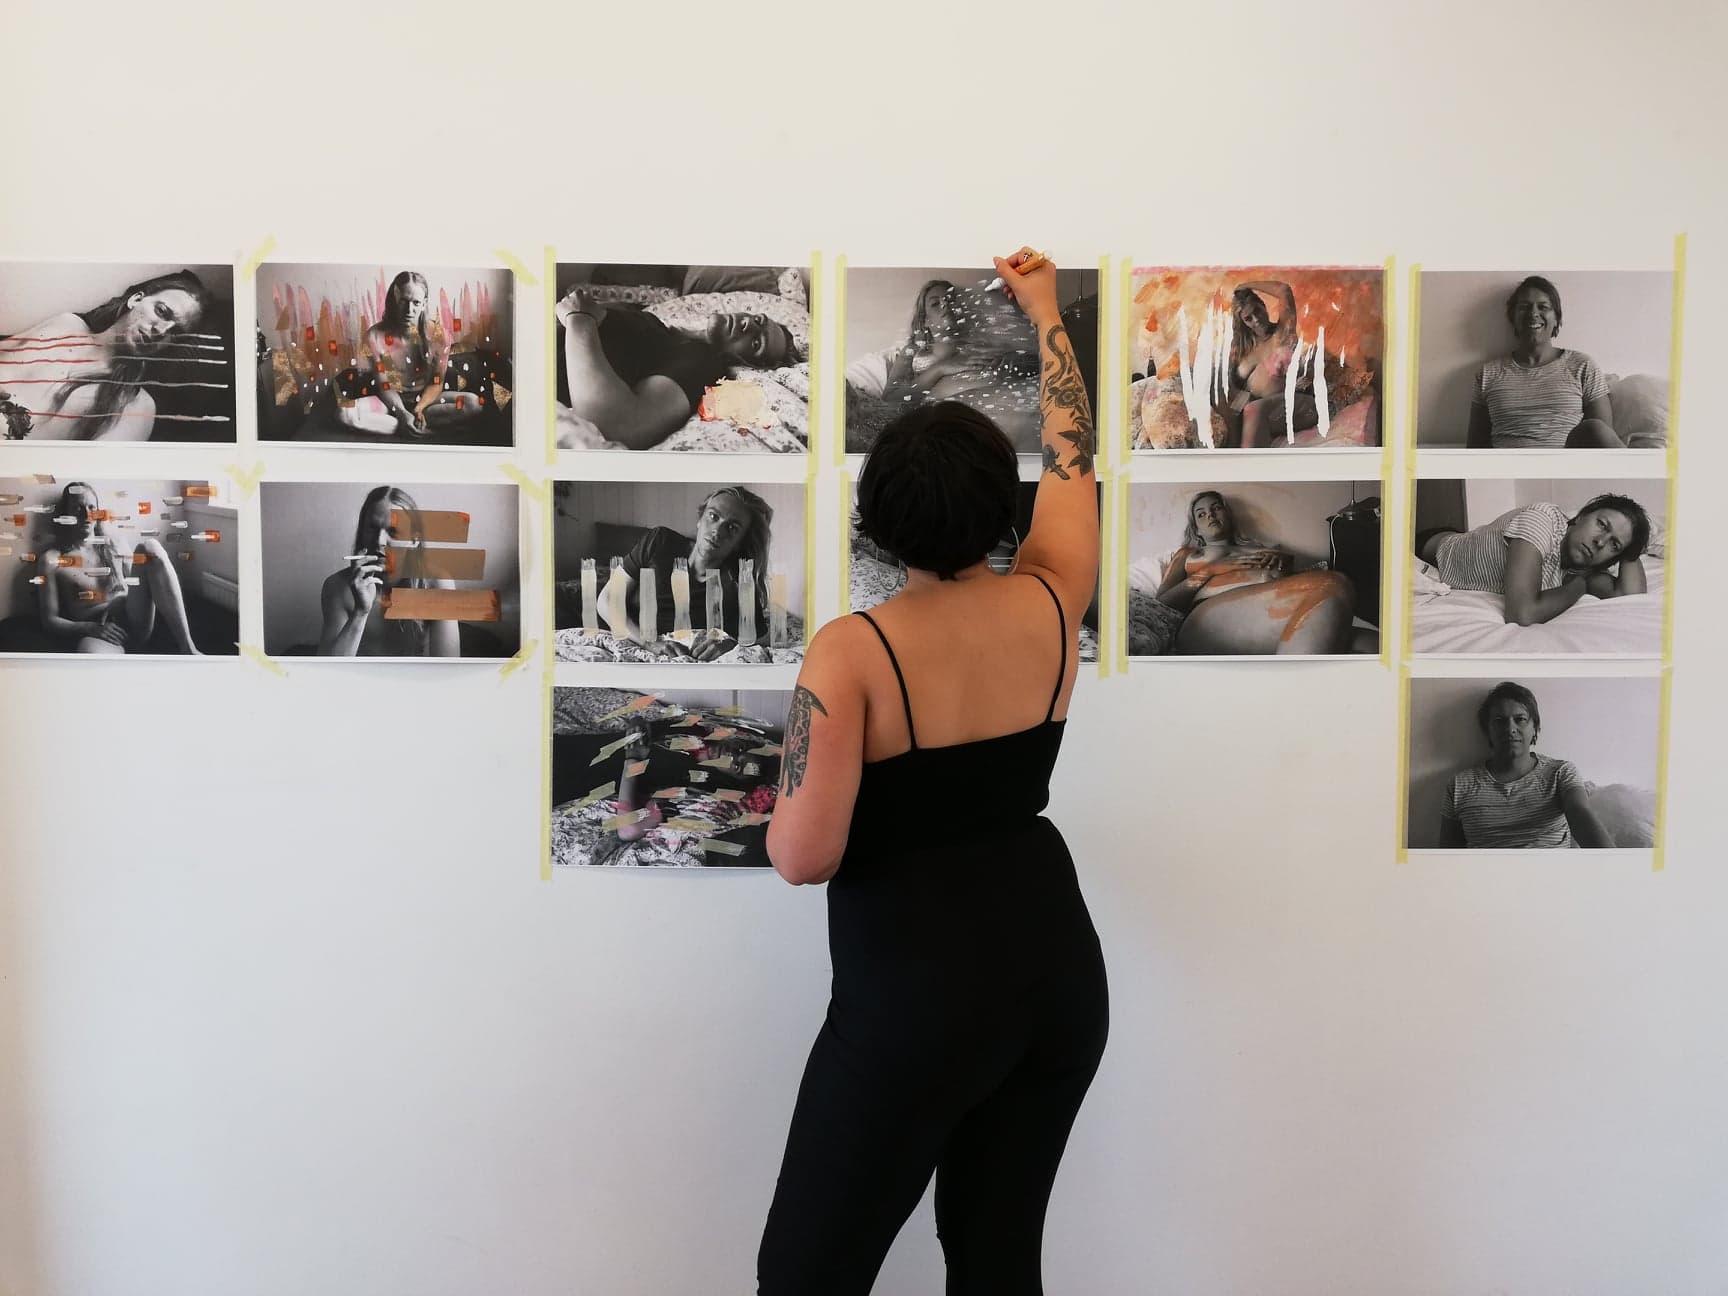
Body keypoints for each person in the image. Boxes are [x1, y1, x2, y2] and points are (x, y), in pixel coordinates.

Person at [757, 249, 1107, 1294]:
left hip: (917, 994)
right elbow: (1075, 454)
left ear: (877, 521)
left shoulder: (852, 652)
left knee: (805, 1276)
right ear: (1002, 509)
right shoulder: (1053, 595)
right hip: (1054, 975)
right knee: (996, 1263)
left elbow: (803, 857)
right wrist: (1046, 309)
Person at [555, 286, 801, 450]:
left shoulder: (702, 361)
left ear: (745, 362)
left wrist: (579, 319)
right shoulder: (659, 327)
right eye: (758, 320)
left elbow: (620, 425)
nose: (748, 325)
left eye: (756, 343)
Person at [0, 271, 211, 441]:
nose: (162, 330)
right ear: (136, 300)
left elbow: (90, 472)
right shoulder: (66, 324)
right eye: (162, 311)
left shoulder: (135, 405)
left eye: (176, 332)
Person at [1143, 489, 1359, 654]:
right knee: (1334, 583)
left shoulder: (1261, 548)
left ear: (1228, 515)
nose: (1210, 515)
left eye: (1216, 508)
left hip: (1265, 616)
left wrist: (1283, 563)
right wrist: (1209, 571)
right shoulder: (1189, 554)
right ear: (1197, 530)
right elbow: (1163, 602)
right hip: (1207, 620)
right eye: (1201, 514)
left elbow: (1293, 587)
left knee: (1368, 643)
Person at [594, 485, 775, 661]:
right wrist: (649, 643)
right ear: (700, 519)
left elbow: (760, 639)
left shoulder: (739, 583)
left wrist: (731, 644)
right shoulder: (659, 542)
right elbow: (607, 600)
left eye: (732, 528)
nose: (717, 531)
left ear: (740, 542)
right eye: (713, 516)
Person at [1415, 494, 1650, 626]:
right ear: (1581, 516)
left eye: (1614, 544)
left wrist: (1633, 547)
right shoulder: (1542, 519)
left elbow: (1631, 597)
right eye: (1601, 524)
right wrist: (1579, 586)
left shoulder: (1583, 565)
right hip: (1431, 547)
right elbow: (1522, 614)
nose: (1600, 541)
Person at [1439, 681, 1613, 848]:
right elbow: (1448, 855)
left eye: (1520, 719)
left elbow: (1579, 812)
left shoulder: (1560, 773)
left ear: (1535, 727)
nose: (1510, 729)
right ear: (1487, 729)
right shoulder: (1459, 785)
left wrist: (1614, 863)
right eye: (1500, 720)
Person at [34, 482, 203, 654]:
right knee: (91, 655)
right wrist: (90, 628)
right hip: (98, 630)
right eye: (77, 508)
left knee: (150, 547)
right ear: (65, 514)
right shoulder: (51, 560)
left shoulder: (115, 544)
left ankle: (188, 647)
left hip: (132, 617)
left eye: (92, 507)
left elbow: (139, 586)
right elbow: (50, 620)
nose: (87, 515)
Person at [1466, 276, 1622, 449]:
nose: (1533, 314)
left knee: (1595, 428)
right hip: (1509, 464)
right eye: (1524, 307)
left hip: (1565, 462)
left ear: (1556, 319)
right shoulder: (1488, 373)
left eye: (1543, 307)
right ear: (1513, 318)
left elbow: (1602, 438)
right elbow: (1475, 447)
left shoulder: (1583, 366)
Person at [326, 271, 486, 438]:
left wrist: (419, 409)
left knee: (473, 404)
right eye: (403, 301)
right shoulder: (374, 336)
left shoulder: (440, 336)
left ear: (424, 303)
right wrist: (402, 413)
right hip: (388, 403)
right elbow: (384, 385)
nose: (409, 310)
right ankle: (412, 428)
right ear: (394, 301)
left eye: (416, 303)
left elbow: (436, 383)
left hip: (426, 402)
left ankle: (409, 424)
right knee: (345, 413)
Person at [318, 485, 458, 657]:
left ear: (414, 540)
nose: (380, 541)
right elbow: (328, 668)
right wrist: (360, 613)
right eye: (372, 528)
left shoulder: (438, 585)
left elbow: (448, 664)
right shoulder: (337, 587)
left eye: (393, 531)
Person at [1219, 279, 1319, 448]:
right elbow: (1232, 388)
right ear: (1243, 322)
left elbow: (1284, 290)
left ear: (1263, 306)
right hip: (1260, 408)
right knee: (1229, 410)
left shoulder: (1282, 333)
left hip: (1296, 404)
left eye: (1257, 311)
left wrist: (1246, 285)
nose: (1256, 320)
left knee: (1253, 409)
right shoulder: (1242, 350)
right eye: (1248, 318)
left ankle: (1249, 463)